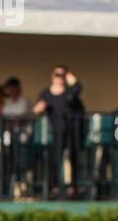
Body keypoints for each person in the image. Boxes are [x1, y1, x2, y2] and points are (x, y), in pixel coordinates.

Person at [34, 66, 86, 198]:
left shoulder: (70, 91)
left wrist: (72, 79)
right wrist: (40, 108)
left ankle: (73, 186)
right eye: (57, 74)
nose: (59, 77)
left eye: (62, 75)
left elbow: (78, 88)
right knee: (55, 158)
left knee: (73, 157)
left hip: (72, 131)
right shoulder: (46, 93)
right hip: (55, 132)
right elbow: (36, 108)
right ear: (52, 76)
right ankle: (54, 186)